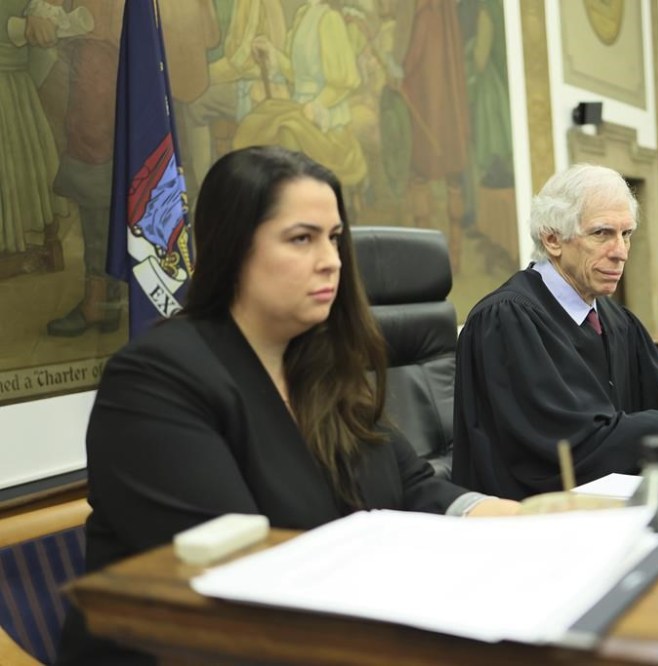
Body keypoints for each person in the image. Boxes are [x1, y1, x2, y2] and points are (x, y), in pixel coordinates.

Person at [57, 145, 518, 665]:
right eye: (302, 239)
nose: (330, 261)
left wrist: (523, 520)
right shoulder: (155, 381)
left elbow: (408, 484)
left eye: (335, 239)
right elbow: (237, 578)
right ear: (233, 248)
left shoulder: (319, 362)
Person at [452, 164, 658, 501]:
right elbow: (575, 444)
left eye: (626, 234)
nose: (621, 252)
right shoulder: (508, 320)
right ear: (552, 239)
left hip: (604, 501)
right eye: (602, 234)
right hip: (529, 521)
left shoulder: (611, 317)